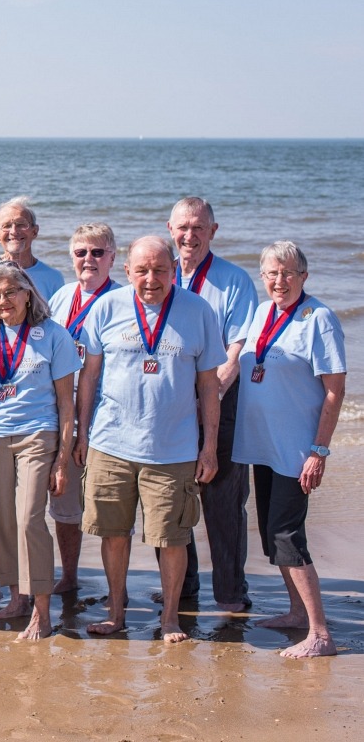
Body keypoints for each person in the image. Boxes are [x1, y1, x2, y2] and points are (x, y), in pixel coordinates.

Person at [74, 236, 223, 644]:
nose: (151, 279)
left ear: (174, 270)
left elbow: (209, 386)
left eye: (160, 270)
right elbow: (88, 376)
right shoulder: (105, 308)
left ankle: (171, 618)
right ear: (127, 272)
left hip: (172, 450)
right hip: (110, 445)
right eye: (142, 270)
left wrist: (208, 447)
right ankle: (116, 614)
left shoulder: (199, 312)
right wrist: (81, 434)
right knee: (113, 534)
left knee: (172, 538)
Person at [234, 241, 347, 658]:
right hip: (263, 446)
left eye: (288, 273)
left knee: (287, 534)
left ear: (304, 276)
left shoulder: (319, 318)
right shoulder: (263, 312)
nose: (279, 281)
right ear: (262, 277)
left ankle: (320, 633)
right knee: (271, 533)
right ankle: (298, 613)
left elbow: (334, 391)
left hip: (297, 449)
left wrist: (319, 450)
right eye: (271, 273)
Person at [0, 264, 80, 641]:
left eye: (11, 292)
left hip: (36, 434)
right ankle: (16, 600)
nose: (3, 301)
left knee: (30, 519)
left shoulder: (54, 335)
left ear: (27, 292)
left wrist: (62, 460)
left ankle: (42, 613)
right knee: (2, 521)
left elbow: (67, 404)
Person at [167, 196, 260, 610]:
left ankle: (230, 594)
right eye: (183, 227)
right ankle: (182, 588)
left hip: (221, 402)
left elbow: (238, 349)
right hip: (171, 406)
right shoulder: (161, 276)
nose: (190, 235)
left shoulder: (233, 280)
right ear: (171, 230)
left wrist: (212, 396)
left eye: (199, 227)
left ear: (213, 231)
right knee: (174, 499)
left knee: (223, 503)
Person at [45, 223, 119, 593]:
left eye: (97, 252)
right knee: (65, 503)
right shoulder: (60, 298)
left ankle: (116, 587)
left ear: (113, 257)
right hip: (62, 414)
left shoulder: (123, 301)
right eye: (80, 252)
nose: (88, 259)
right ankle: (70, 576)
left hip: (108, 419)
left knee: (109, 504)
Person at [0, 197, 64, 299]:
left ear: (34, 231)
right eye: (6, 226)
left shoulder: (53, 278)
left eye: (21, 224)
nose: (14, 231)